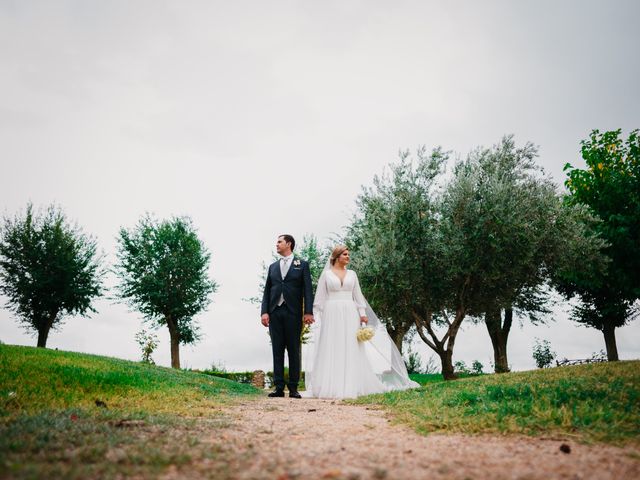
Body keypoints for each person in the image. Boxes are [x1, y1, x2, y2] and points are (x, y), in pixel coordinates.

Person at [304, 245, 419, 399]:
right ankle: (332, 384)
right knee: (333, 345)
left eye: (348, 254)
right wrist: (316, 316)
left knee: (351, 345)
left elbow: (358, 296)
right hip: (331, 313)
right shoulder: (326, 275)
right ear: (337, 257)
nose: (348, 257)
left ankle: (353, 383)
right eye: (345, 254)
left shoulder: (352, 274)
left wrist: (362, 314)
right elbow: (319, 299)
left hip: (350, 312)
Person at [261, 234, 314, 398]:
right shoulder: (272, 267)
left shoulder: (302, 265)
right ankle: (278, 387)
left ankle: (293, 387)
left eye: (279, 242)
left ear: (288, 244)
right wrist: (264, 312)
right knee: (277, 349)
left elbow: (307, 290)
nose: (276, 244)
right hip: (275, 312)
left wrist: (308, 312)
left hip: (293, 312)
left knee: (293, 349)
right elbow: (267, 291)